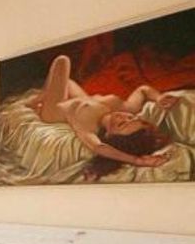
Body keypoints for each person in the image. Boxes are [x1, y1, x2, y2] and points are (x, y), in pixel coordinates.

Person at [26, 55, 177, 179]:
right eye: (132, 118)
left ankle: (39, 101)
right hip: (82, 100)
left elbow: (99, 148)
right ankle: (41, 98)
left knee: (62, 61)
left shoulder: (88, 127)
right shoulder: (127, 108)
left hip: (54, 112)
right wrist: (158, 97)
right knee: (68, 82)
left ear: (109, 135)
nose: (123, 117)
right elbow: (143, 90)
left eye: (121, 124)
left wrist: (137, 161)